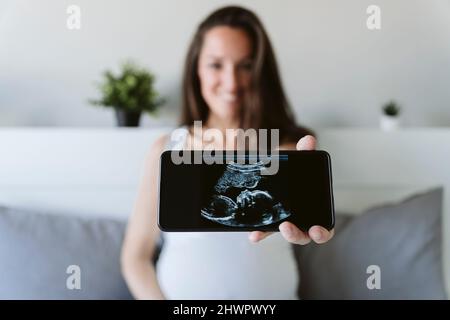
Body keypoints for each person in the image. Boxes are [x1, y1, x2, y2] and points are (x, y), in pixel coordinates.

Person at [121, 5, 334, 300]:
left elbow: (313, 223)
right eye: (216, 65)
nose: (232, 83)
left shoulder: (289, 149)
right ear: (197, 68)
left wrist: (316, 222)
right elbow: (135, 258)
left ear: (261, 72)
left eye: (245, 65)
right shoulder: (168, 151)